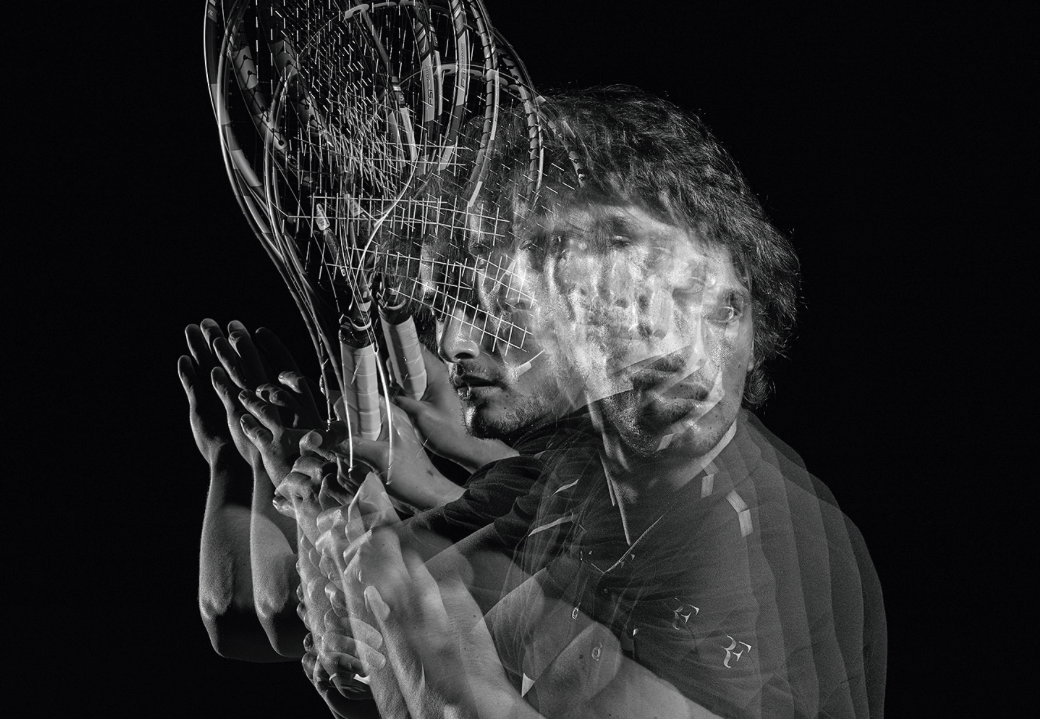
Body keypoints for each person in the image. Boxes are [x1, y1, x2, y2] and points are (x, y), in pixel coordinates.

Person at [335, 86, 886, 719]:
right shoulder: (586, 479)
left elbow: (422, 638)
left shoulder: (755, 546)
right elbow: (395, 646)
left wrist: (400, 603)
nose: (459, 340)